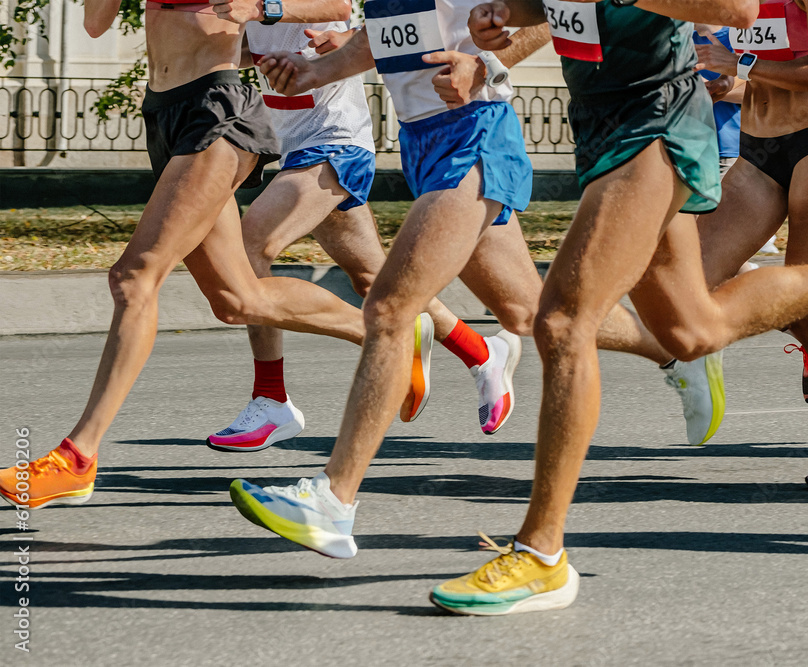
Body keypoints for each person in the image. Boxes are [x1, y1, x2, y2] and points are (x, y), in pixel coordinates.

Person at [418, 0, 808, 616]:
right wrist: (495, 38)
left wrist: (738, 63)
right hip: (617, 127)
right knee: (690, 328)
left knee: (562, 320)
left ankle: (542, 553)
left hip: (659, 127)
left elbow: (733, 9)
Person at [222, 0, 683, 563]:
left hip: (476, 132)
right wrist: (318, 71)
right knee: (531, 313)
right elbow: (386, 34)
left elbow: (549, 12)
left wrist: (487, 66)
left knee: (390, 308)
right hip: (425, 140)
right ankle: (675, 348)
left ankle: (331, 500)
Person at [0, 0, 435, 509]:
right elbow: (96, 24)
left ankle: (78, 458)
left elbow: (336, 3)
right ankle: (385, 337)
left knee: (133, 277)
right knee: (237, 298)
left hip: (217, 110)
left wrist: (267, 11)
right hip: (165, 110)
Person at [209, 19, 528, 452]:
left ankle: (272, 398)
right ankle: (482, 353)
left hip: (333, 145)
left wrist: (265, 6)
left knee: (249, 248)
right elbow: (248, 49)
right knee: (377, 279)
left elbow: (336, 6)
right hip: (296, 147)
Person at [694, 0, 808, 492]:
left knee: (804, 302)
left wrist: (741, 65)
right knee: (690, 283)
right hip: (758, 156)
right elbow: (762, 76)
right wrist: (727, 85)